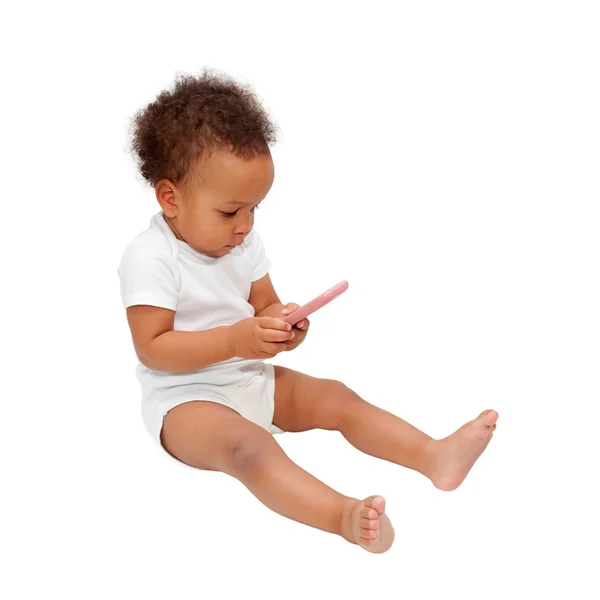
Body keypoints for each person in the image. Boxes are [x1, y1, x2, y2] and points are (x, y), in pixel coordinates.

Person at [118, 69, 498, 554]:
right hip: (185, 402)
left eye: (255, 209)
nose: (245, 225)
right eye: (230, 211)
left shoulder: (244, 242)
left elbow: (265, 303)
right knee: (249, 448)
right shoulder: (149, 256)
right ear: (170, 198)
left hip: (248, 378)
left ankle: (434, 456)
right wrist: (235, 341)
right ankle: (342, 515)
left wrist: (285, 322)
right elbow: (153, 349)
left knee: (336, 397)